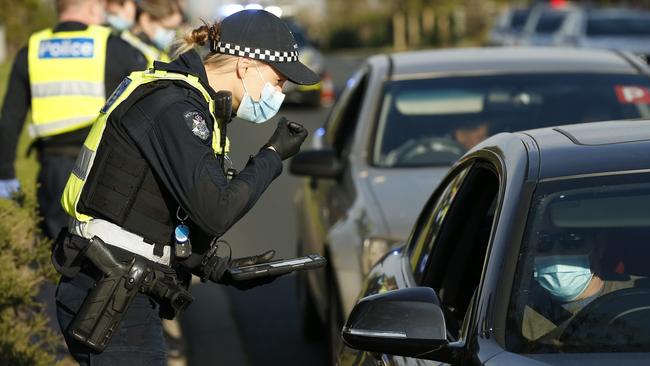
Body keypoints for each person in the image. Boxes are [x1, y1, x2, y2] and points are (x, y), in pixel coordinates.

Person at [52, 9, 319, 364]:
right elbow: (215, 210)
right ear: (246, 67)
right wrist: (271, 155)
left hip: (119, 283)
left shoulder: (194, 103)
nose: (279, 92)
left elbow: (159, 206)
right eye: (278, 80)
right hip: (111, 292)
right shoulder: (177, 107)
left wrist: (215, 268)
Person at [0, 0, 147, 240]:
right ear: (91, 7)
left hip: (53, 170)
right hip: (104, 166)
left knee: (54, 247)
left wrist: (5, 173)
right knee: (102, 249)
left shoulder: (33, 48)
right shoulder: (114, 46)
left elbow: (9, 120)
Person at [522, 231, 647, 341]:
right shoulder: (514, 309)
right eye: (542, 241)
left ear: (599, 244)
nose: (556, 253)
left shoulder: (641, 296)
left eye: (573, 239)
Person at [120, 0, 183, 66]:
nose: (172, 34)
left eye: (175, 29)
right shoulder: (125, 50)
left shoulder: (155, 49)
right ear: (145, 20)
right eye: (167, 28)